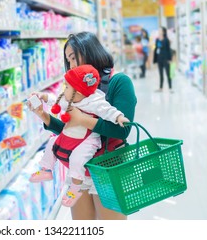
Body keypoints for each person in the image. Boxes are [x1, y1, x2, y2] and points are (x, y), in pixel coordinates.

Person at [27, 32, 137, 220]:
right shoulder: (75, 88)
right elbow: (72, 133)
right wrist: (44, 116)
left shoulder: (119, 81)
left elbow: (123, 130)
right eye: (68, 60)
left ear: (90, 52)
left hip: (109, 166)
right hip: (79, 168)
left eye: (73, 57)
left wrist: (82, 119)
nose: (71, 65)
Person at [29, 64, 129, 208]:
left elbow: (108, 110)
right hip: (70, 134)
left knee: (77, 159)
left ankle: (75, 188)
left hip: (89, 140)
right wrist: (43, 96)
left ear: (79, 91)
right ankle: (46, 170)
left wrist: (119, 117)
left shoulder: (94, 101)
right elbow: (55, 99)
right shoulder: (70, 99)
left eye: (67, 87)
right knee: (52, 143)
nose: (64, 90)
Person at [153, 27, 172, 92]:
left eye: (160, 30)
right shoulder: (157, 40)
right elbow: (156, 49)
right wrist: (155, 60)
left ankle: (170, 87)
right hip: (159, 59)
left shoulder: (166, 40)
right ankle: (160, 88)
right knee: (160, 74)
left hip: (166, 59)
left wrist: (170, 59)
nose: (159, 31)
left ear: (163, 32)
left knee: (168, 73)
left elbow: (168, 50)